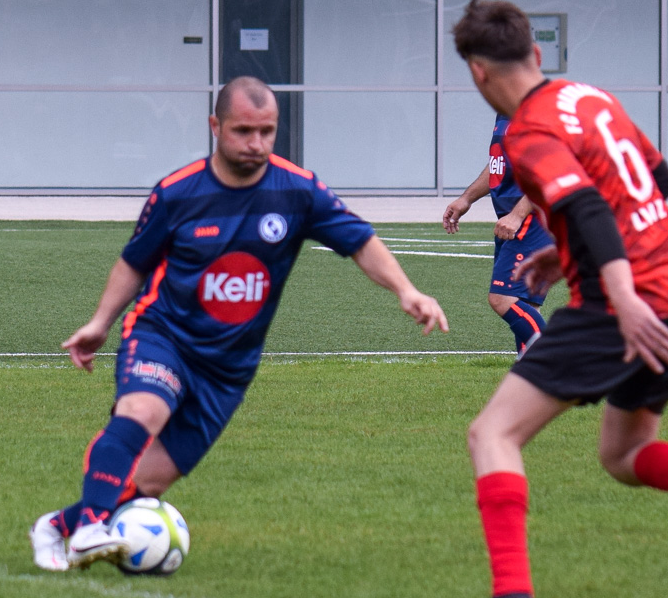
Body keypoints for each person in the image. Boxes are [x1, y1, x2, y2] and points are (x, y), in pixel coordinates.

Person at [428, 0, 668, 598]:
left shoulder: (527, 130)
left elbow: (587, 208)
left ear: (476, 71)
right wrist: (564, 254)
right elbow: (658, 183)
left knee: (492, 434)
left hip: (624, 303)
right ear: (537, 53)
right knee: (623, 453)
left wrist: (623, 296)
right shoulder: (592, 98)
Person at [30, 76, 449, 571]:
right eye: (243, 131)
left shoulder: (297, 190)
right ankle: (89, 530)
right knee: (143, 410)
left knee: (150, 482)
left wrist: (406, 290)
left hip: (228, 369)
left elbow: (360, 240)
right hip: (163, 335)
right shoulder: (177, 193)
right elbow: (133, 262)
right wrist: (101, 322)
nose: (256, 143)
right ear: (215, 126)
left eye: (267, 131)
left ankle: (55, 526)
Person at [441, 114, 556, 353]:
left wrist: (517, 215)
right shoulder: (505, 113)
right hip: (513, 217)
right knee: (525, 303)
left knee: (502, 298)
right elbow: (499, 163)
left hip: (533, 217)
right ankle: (532, 369)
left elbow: (549, 171)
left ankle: (552, 362)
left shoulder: (536, 111)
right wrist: (466, 198)